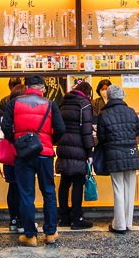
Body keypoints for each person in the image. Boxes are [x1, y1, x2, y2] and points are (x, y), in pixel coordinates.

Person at [1, 75, 66, 246]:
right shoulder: (50, 104)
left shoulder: (14, 103)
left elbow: (6, 127)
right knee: (49, 192)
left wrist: (17, 142)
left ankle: (30, 236)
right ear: (43, 88)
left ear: (26, 86)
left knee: (26, 195)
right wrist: (49, 142)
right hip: (44, 154)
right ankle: (50, 233)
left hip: (23, 156)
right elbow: (60, 128)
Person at [96, 84, 139, 234]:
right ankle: (128, 222)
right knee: (130, 188)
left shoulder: (104, 114)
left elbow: (101, 137)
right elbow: (137, 130)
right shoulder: (131, 111)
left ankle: (119, 224)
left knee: (118, 189)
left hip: (114, 154)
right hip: (131, 152)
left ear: (108, 96)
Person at [56, 81, 95, 229]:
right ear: (88, 93)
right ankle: (76, 218)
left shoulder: (64, 102)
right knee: (78, 182)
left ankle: (63, 218)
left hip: (63, 145)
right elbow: (86, 130)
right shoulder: (84, 104)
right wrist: (90, 151)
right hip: (78, 147)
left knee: (65, 183)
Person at [0, 83, 27, 232]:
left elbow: (4, 128)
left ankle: (13, 220)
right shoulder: (24, 110)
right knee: (23, 187)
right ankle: (22, 221)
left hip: (9, 154)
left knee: (13, 187)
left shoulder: (7, 109)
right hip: (22, 154)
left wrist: (12, 139)